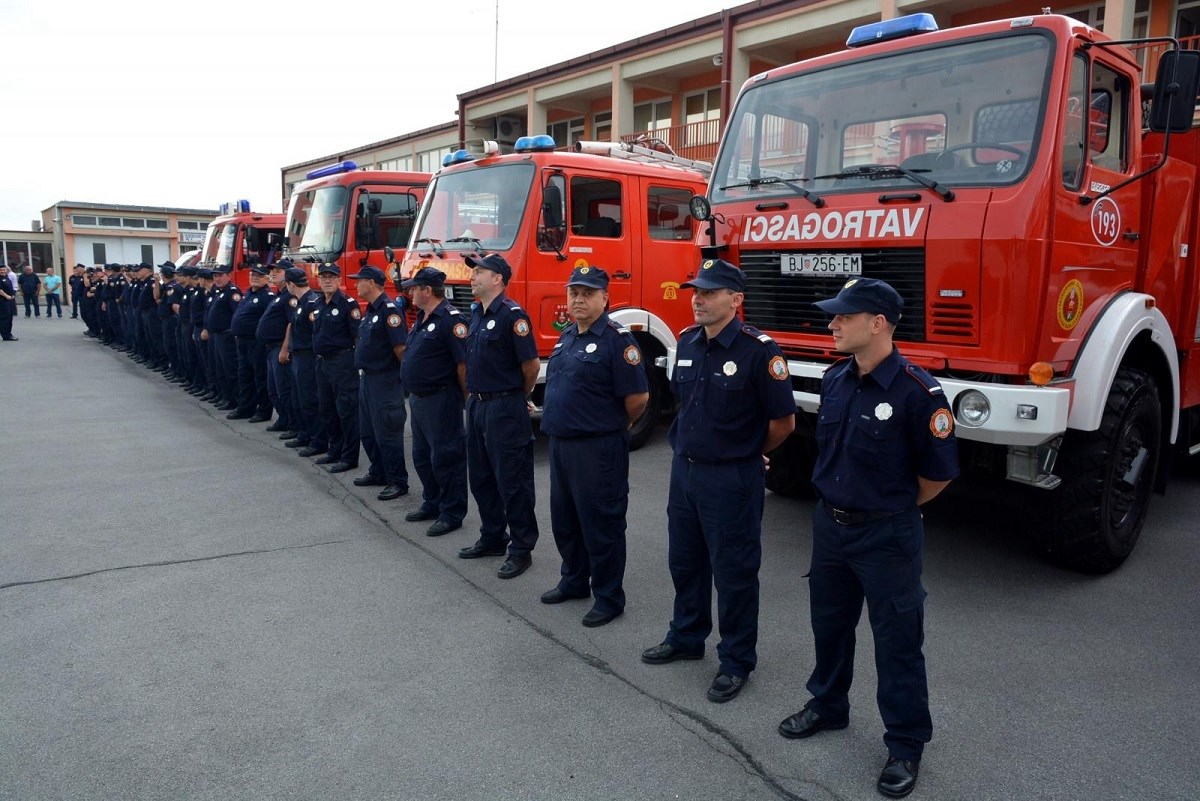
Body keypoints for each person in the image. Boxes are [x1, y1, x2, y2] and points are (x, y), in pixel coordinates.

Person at [777, 278, 959, 800]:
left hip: (886, 534)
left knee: (898, 642)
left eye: (842, 316)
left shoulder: (918, 393)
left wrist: (889, 511)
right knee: (830, 626)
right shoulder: (837, 380)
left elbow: (937, 476)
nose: (831, 324)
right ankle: (828, 705)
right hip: (830, 527)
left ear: (877, 323)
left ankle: (904, 744)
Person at [640, 258, 795, 703]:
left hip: (731, 479)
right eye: (696, 291)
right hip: (685, 472)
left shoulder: (759, 351)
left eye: (709, 292)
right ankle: (687, 638)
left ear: (736, 299)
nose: (698, 299)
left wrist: (749, 453)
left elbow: (782, 421)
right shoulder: (687, 342)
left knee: (734, 571)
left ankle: (736, 659)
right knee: (685, 561)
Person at [539, 265, 648, 627]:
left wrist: (615, 425)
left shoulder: (618, 341)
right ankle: (574, 581)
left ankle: (608, 596)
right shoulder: (568, 335)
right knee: (565, 520)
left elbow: (637, 398)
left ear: (605, 297)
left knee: (602, 524)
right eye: (574, 292)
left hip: (598, 449)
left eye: (587, 293)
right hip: (562, 445)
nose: (579, 299)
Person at [457, 253, 540, 580]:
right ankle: (492, 536)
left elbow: (531, 366)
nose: (473, 276)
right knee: (481, 475)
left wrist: (518, 396)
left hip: (505, 407)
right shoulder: (476, 312)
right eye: (473, 271)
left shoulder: (512, 316)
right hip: (477, 406)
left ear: (498, 278)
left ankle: (521, 548)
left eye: (480, 271)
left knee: (513, 480)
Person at [399, 267, 468, 536]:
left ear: (428, 291)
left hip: (441, 399)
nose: (410, 292)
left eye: (415, 288)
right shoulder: (422, 317)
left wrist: (465, 400)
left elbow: (463, 365)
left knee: (447, 456)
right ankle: (433, 501)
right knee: (422, 456)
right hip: (419, 400)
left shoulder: (451, 321)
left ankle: (452, 511)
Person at [348, 264, 409, 500]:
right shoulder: (372, 310)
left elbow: (401, 349)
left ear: (371, 283)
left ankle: (397, 480)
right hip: (367, 380)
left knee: (388, 433)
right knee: (368, 431)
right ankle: (378, 471)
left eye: (359, 280)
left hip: (385, 380)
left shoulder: (389, 310)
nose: (356, 284)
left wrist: (404, 381)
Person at [311, 263, 362, 473]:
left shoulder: (348, 304)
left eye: (332, 277)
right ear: (318, 280)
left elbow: (358, 336)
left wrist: (356, 365)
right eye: (324, 277)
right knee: (327, 409)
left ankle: (349, 457)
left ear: (339, 280)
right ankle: (335, 450)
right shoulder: (318, 303)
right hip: (322, 363)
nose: (327, 280)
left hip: (342, 363)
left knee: (347, 411)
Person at [282, 266, 329, 458]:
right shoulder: (302, 302)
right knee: (299, 398)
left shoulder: (311, 302)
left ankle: (318, 440)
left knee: (310, 399)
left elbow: (316, 332)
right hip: (298, 355)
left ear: (291, 284)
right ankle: (305, 433)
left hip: (308, 356)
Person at [228, 264, 273, 422]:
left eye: (259, 275)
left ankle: (264, 411)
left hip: (256, 343)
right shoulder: (248, 293)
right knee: (245, 376)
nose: (254, 277)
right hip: (242, 342)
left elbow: (267, 321)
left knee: (260, 377)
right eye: (252, 274)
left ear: (267, 279)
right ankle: (246, 408)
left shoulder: (267, 296)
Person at [257, 260, 297, 436]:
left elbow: (291, 323)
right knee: (273, 389)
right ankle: (283, 419)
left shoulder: (290, 297)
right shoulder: (279, 294)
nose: (273, 273)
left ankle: (293, 424)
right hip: (270, 347)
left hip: (280, 347)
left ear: (288, 274)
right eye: (273, 270)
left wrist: (285, 348)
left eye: (278, 270)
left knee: (284, 389)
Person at [203, 266, 240, 410]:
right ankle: (224, 396)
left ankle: (234, 400)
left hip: (226, 335)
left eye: (220, 276)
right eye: (215, 276)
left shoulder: (232, 292)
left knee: (229, 369)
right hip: (216, 336)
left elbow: (236, 314)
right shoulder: (218, 292)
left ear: (228, 276)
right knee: (219, 368)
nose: (217, 279)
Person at [0, 265, 16, 341]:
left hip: (9, 301)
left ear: (6, 270)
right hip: (3, 301)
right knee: (5, 319)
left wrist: (12, 295)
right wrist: (7, 296)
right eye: (1, 270)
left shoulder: (7, 277)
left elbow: (10, 288)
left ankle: (9, 334)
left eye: (4, 270)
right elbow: (0, 291)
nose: (2, 271)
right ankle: (6, 336)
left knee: (9, 318)